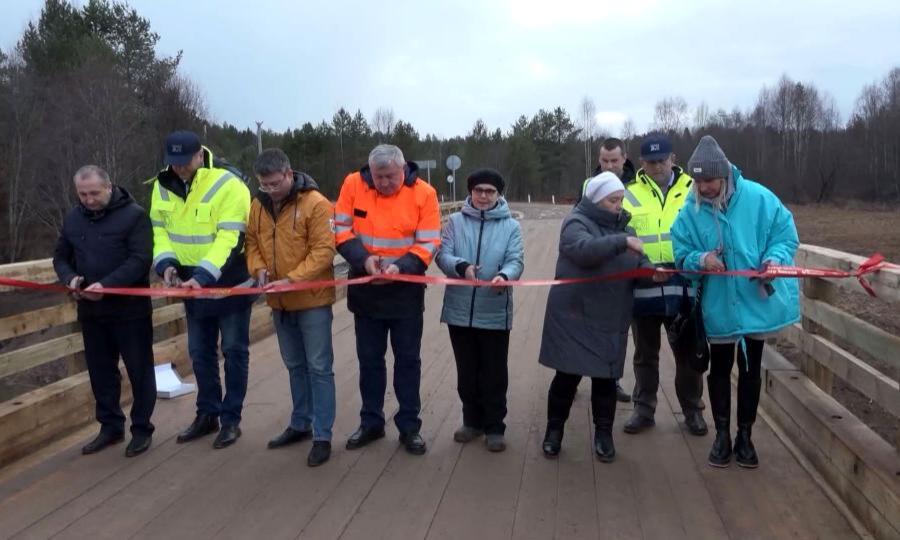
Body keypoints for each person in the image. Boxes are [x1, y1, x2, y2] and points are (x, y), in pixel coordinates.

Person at [671, 135, 800, 469]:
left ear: (725, 175)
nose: (703, 188)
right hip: (718, 305)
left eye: (709, 180)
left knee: (751, 368)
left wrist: (773, 261)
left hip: (755, 301)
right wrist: (701, 260)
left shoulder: (760, 199)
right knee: (719, 368)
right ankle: (722, 435)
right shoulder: (690, 211)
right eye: (698, 181)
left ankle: (745, 436)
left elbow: (784, 236)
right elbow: (681, 255)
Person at [539, 172, 666, 462]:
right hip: (574, 316)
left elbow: (638, 264)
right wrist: (622, 242)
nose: (619, 205)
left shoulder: (627, 230)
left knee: (605, 382)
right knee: (566, 379)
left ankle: (604, 435)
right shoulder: (576, 222)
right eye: (613, 199)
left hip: (610, 317)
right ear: (596, 200)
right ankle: (554, 432)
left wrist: (652, 274)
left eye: (621, 199)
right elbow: (584, 252)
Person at [334, 144, 441, 455]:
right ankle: (371, 422)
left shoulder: (425, 193)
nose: (384, 183)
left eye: (391, 177)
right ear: (370, 171)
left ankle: (409, 426)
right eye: (379, 177)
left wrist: (401, 267)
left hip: (405, 291)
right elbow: (341, 230)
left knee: (407, 362)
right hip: (366, 290)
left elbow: (429, 241)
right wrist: (364, 261)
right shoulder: (353, 184)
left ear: (403, 169)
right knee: (369, 362)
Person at [148, 130, 252, 449]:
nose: (179, 168)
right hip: (189, 282)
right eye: (173, 162)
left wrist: (204, 276)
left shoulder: (228, 184)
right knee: (199, 352)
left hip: (227, 280)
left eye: (184, 162)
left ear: (198, 155)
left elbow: (230, 238)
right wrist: (166, 265)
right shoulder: (161, 186)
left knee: (233, 350)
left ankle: (231, 419)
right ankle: (207, 413)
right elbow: (160, 231)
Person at [53, 165, 156, 457]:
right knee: (101, 372)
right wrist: (70, 278)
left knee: (140, 371)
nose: (88, 199)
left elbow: (140, 260)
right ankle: (110, 427)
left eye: (94, 193)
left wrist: (106, 285)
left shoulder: (134, 216)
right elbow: (60, 256)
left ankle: (141, 428)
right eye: (83, 194)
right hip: (91, 311)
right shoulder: (73, 218)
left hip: (129, 310)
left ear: (109, 188)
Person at [245, 148, 337, 467]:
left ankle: (322, 434)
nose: (269, 189)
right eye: (263, 184)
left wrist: (293, 279)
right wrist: (257, 268)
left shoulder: (316, 204)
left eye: (274, 183)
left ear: (288, 174)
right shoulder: (258, 206)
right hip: (279, 301)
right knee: (294, 365)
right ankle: (301, 423)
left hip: (311, 300)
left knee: (319, 367)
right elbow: (252, 242)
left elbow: (324, 251)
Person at [622, 134, 707, 436]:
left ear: (673, 159)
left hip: (683, 284)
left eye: (662, 160)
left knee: (686, 352)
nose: (657, 166)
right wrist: (642, 266)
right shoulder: (629, 194)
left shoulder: (692, 191)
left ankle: (693, 410)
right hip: (644, 283)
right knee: (645, 354)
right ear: (642, 163)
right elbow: (623, 238)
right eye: (651, 161)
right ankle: (643, 410)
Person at [436, 168, 524, 452]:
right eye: (478, 191)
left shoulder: (511, 226)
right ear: (470, 192)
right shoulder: (455, 222)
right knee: (467, 370)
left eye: (490, 191)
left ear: (499, 195)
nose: (483, 196)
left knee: (494, 372)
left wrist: (506, 276)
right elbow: (443, 254)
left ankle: (495, 426)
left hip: (494, 309)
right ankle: (471, 421)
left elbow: (516, 260)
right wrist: (461, 267)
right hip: (459, 310)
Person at [580, 137, 636, 403]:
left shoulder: (639, 186)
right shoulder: (588, 186)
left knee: (620, 333)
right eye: (604, 160)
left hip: (630, 269)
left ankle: (611, 381)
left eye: (614, 160)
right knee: (586, 330)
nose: (609, 165)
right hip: (597, 269)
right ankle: (576, 373)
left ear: (624, 158)